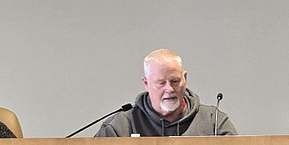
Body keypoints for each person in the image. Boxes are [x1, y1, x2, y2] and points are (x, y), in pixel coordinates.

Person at [95, 49, 237, 137]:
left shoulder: (214, 121)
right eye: (161, 83)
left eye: (175, 81)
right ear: (146, 83)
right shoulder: (120, 126)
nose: (169, 89)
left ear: (185, 79)